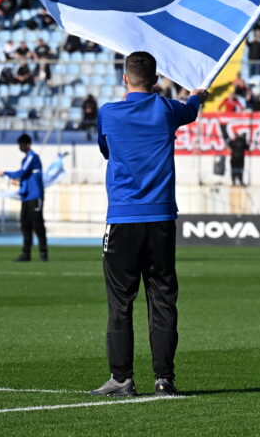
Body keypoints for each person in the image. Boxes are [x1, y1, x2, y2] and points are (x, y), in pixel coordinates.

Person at [90, 51, 208, 398]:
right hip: (160, 220)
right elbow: (190, 108)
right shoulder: (167, 109)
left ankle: (122, 378)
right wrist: (199, 94)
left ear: (126, 79)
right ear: (156, 81)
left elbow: (106, 151)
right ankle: (163, 380)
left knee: (120, 303)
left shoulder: (108, 113)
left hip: (124, 218)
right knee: (162, 300)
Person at [0, 133, 47, 262]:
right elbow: (27, 176)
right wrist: (20, 182)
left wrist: (4, 173)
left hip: (35, 196)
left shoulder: (32, 157)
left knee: (38, 225)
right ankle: (26, 253)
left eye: (21, 144)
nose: (20, 147)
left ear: (27, 144)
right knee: (25, 225)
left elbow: (22, 172)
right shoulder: (26, 159)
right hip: (26, 196)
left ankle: (43, 254)